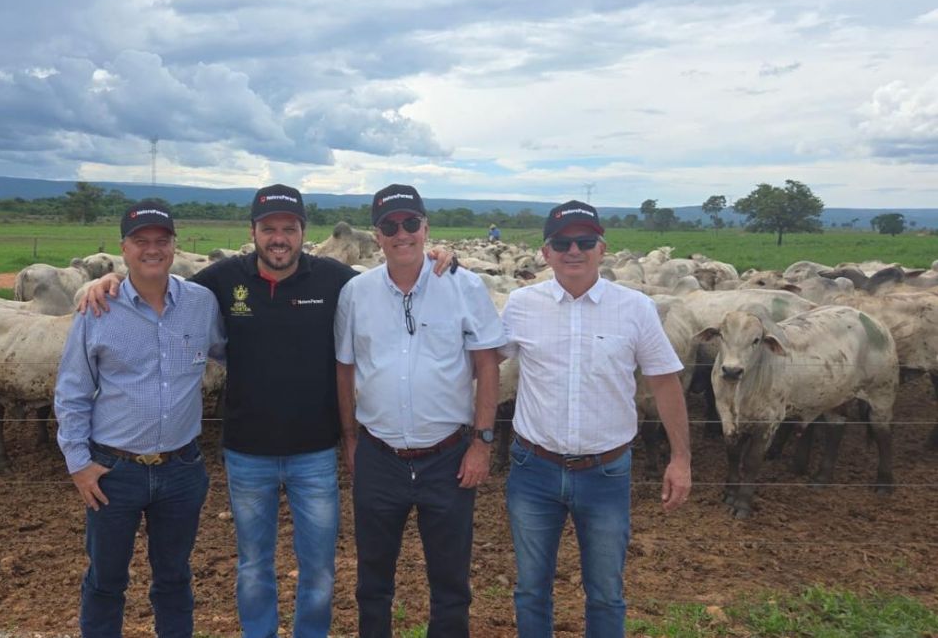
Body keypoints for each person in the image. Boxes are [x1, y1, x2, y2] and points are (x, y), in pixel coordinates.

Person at [81, 185, 456, 638]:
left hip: (315, 453)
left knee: (318, 569)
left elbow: (397, 272)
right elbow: (159, 285)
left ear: (303, 233)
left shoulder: (336, 280)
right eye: (268, 229)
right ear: (253, 232)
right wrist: (111, 282)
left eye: (289, 229)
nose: (279, 238)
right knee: (254, 565)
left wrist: (440, 255)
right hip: (247, 454)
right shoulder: (220, 281)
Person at [499, 200, 692, 637]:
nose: (574, 250)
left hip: (605, 472)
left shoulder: (636, 308)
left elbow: (665, 382)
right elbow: (486, 363)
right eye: (562, 242)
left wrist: (681, 459)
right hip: (534, 469)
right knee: (531, 589)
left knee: (605, 592)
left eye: (585, 241)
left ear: (602, 248)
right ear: (545, 252)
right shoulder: (521, 305)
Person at [335, 184, 505, 637]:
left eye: (411, 223)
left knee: (451, 581)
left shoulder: (464, 285)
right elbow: (345, 366)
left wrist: (482, 444)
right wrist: (350, 439)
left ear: (426, 228)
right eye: (390, 226)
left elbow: (488, 364)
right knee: (372, 580)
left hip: (447, 457)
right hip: (378, 455)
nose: (401, 233)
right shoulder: (356, 292)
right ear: (377, 236)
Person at [54, 201, 225, 638]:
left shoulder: (201, 303)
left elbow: (237, 351)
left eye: (161, 241)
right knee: (106, 580)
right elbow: (72, 390)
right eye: (141, 241)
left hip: (182, 468)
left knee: (174, 577)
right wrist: (78, 462)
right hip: (114, 471)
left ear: (174, 245)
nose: (153, 249)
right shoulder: (98, 308)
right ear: (123, 248)